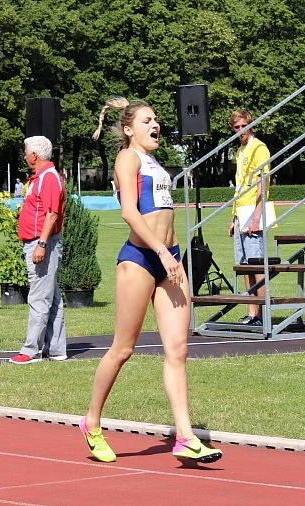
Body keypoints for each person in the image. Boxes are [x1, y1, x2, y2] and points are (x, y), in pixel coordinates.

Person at [79, 97, 222, 465]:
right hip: (141, 259)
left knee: (178, 350)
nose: (155, 125)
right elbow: (129, 211)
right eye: (146, 121)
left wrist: (170, 254)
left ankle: (186, 436)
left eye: (156, 119)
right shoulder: (128, 158)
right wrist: (160, 251)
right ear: (129, 129)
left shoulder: (155, 161)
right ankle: (92, 422)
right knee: (123, 349)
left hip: (168, 259)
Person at [9, 135, 67, 364]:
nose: (25, 156)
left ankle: (31, 350)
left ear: (34, 155)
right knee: (51, 297)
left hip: (42, 242)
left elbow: (52, 213)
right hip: (40, 241)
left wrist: (41, 244)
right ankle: (55, 349)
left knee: (39, 296)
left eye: (26, 152)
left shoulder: (48, 178)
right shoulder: (40, 177)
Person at [229, 109, 274, 326]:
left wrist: (257, 217)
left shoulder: (259, 148)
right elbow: (240, 186)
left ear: (251, 124)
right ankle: (252, 312)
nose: (240, 131)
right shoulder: (240, 150)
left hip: (253, 212)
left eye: (243, 126)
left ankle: (263, 311)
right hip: (241, 212)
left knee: (257, 266)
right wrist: (233, 217)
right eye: (236, 127)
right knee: (245, 265)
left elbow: (263, 184)